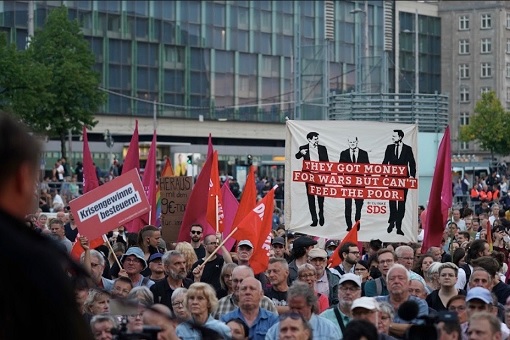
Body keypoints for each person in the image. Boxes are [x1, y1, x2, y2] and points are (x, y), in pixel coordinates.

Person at [266, 281, 341, 340]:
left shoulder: (328, 329)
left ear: (310, 305)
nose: (295, 312)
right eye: (292, 308)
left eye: (299, 308)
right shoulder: (275, 331)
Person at [375, 264, 429, 338]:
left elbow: (417, 331)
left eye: (401, 278)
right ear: (387, 284)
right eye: (392, 279)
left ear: (409, 283)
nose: (396, 281)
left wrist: (386, 325)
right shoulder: (377, 302)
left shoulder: (419, 304)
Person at [382, 129, 416, 236]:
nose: (392, 138)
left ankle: (399, 226)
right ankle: (392, 223)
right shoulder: (389, 147)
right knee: (392, 202)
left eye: (394, 136)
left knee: (401, 203)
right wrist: (383, 176)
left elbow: (412, 163)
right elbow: (385, 162)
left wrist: (411, 176)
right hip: (391, 180)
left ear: (400, 137)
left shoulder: (407, 149)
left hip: (403, 180)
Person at [213, 265, 277, 320]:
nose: (238, 285)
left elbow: (276, 331)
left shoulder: (266, 303)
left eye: (242, 281)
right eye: (235, 281)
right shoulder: (220, 305)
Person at [295, 131, 329, 227]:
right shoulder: (303, 148)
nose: (317, 140)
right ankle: (314, 219)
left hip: (320, 177)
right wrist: (300, 153)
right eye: (315, 138)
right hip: (309, 177)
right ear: (309, 139)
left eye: (317, 138)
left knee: (321, 198)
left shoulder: (322, 148)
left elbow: (327, 162)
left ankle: (321, 215)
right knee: (311, 198)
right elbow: (297, 156)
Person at [339, 136, 370, 231]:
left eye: (354, 142)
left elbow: (368, 168)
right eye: (350, 142)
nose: (352, 143)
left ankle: (357, 223)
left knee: (358, 206)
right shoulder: (343, 153)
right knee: (348, 205)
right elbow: (340, 168)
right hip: (348, 185)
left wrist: (367, 181)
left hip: (360, 185)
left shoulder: (364, 153)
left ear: (357, 142)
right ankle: (349, 225)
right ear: (348, 142)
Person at [320, 273, 362, 338]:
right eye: (344, 288)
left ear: (360, 293)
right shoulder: (324, 319)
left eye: (352, 289)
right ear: (338, 291)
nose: (348, 292)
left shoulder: (366, 317)